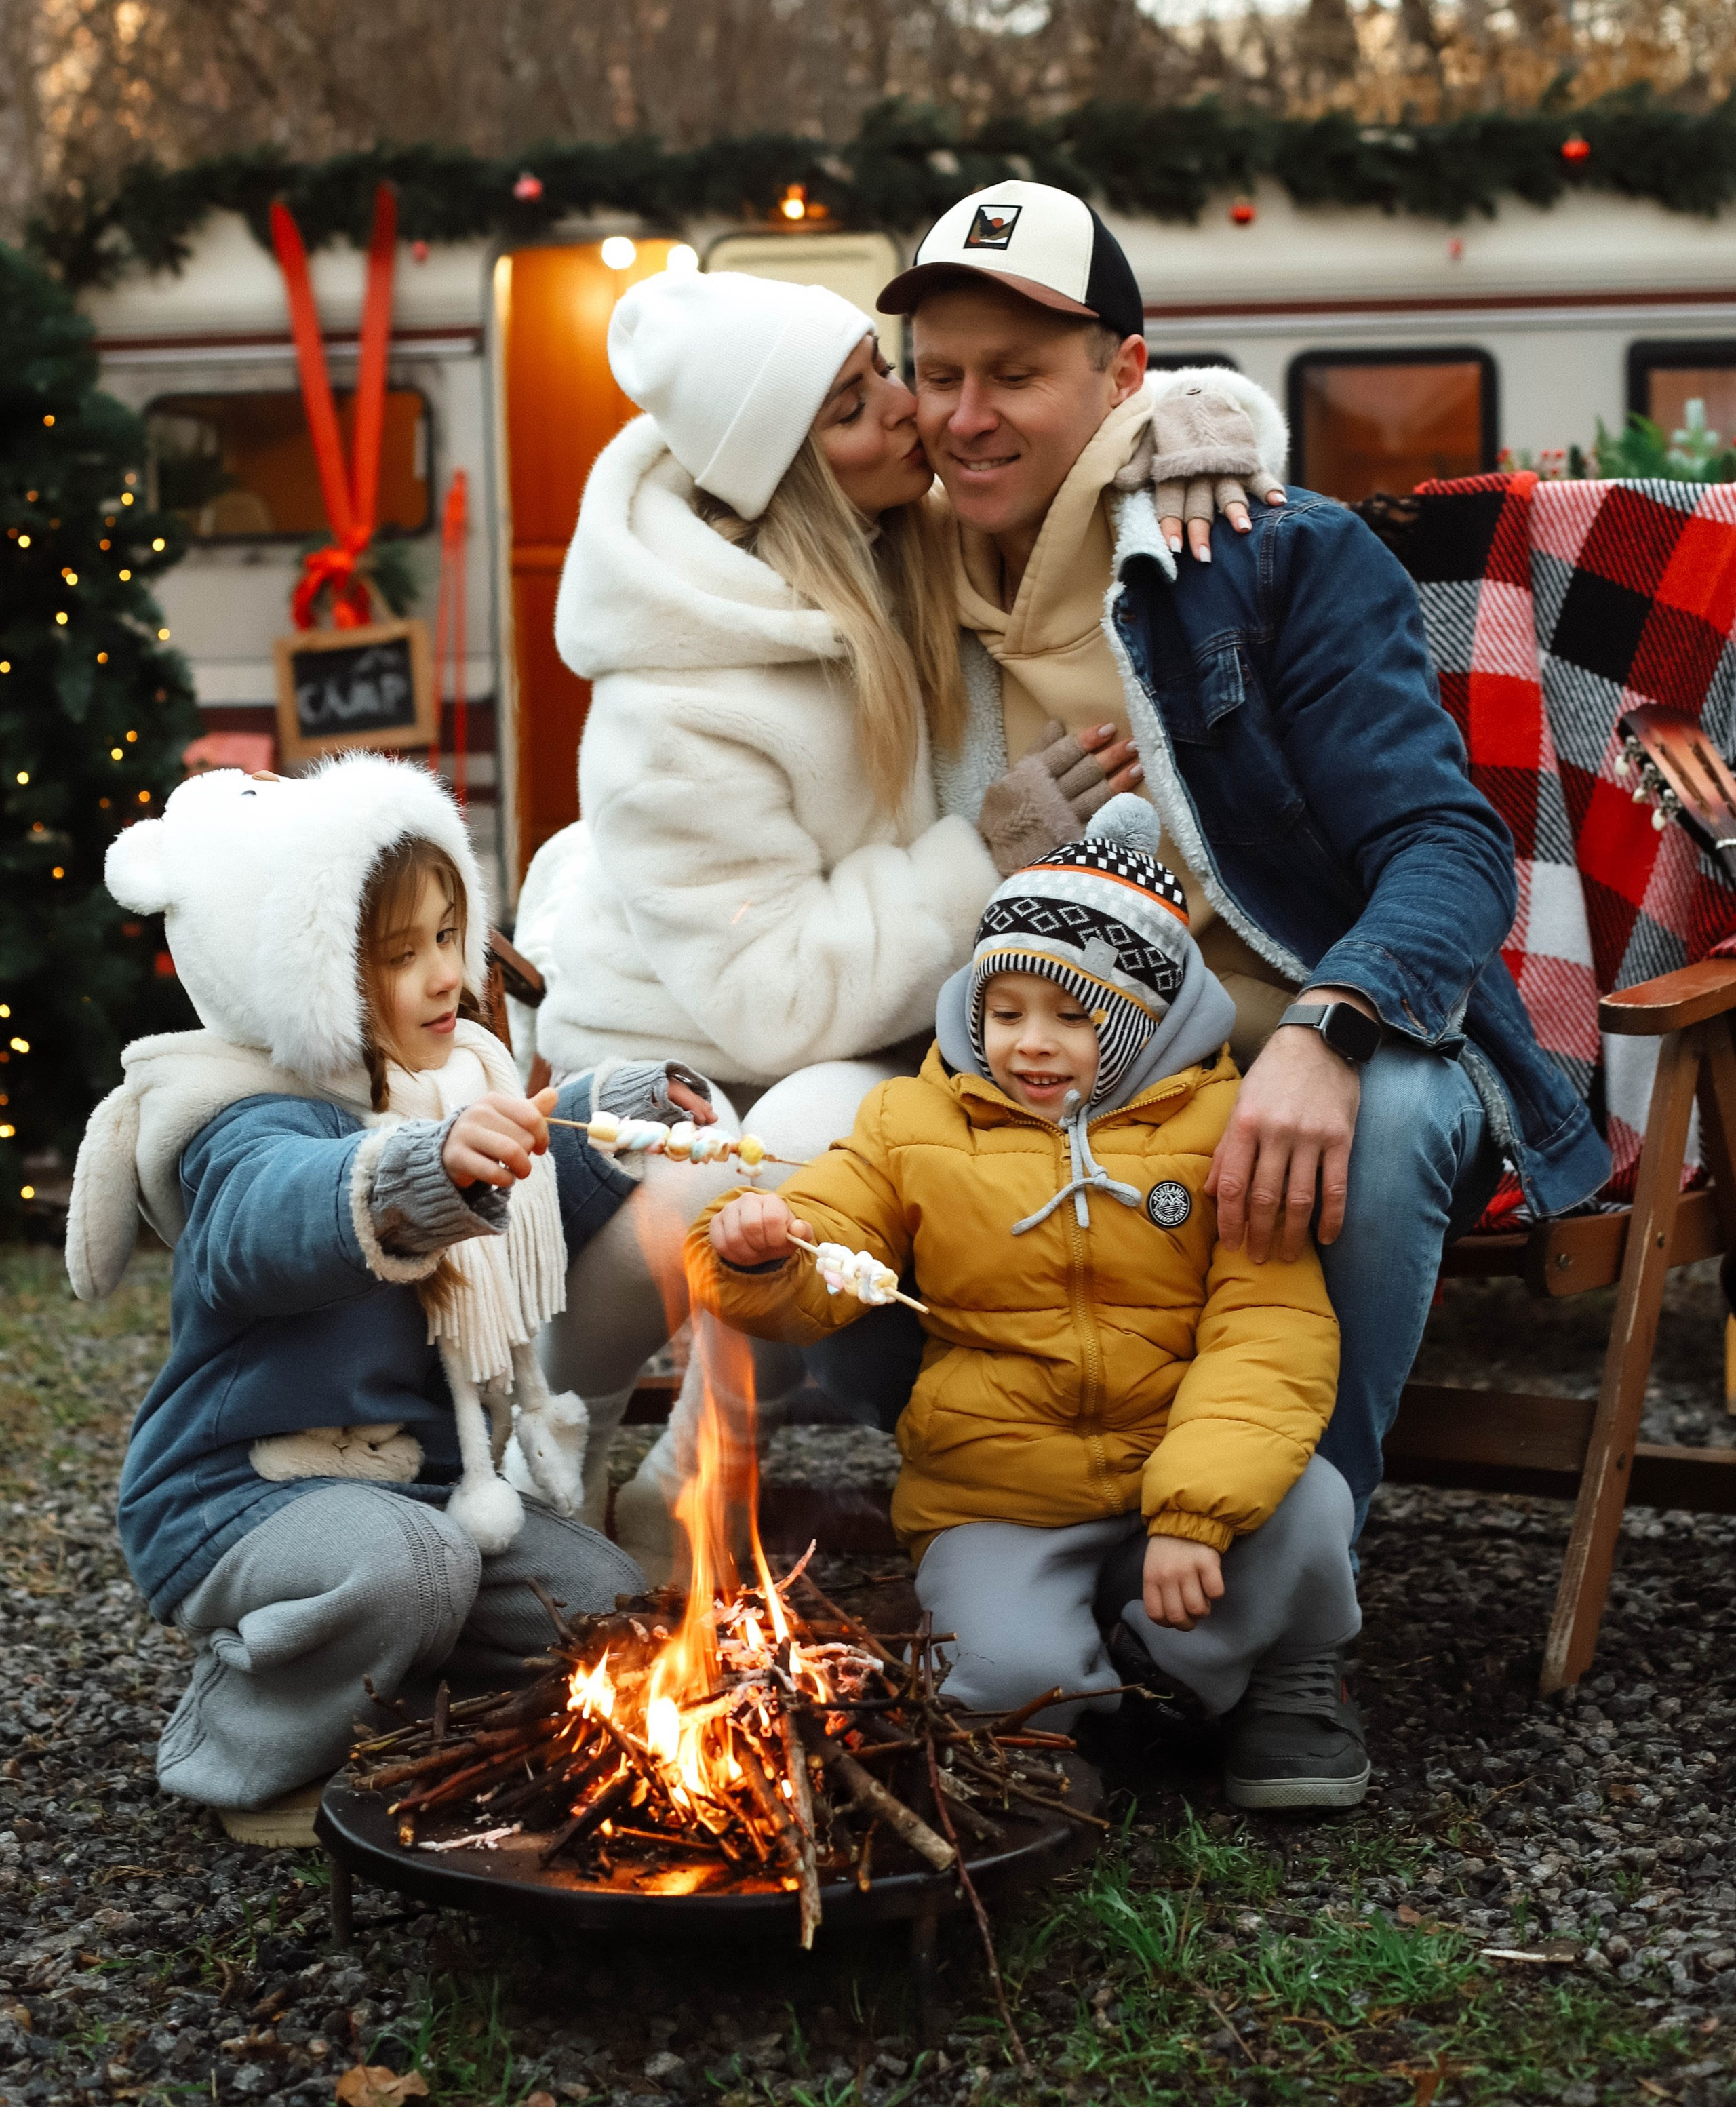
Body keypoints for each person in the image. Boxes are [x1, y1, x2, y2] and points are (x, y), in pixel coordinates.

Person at [865, 178, 1609, 1607]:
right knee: (833, 1140)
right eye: (937, 375)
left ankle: (1282, 1616)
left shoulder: (1264, 553)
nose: (965, 415)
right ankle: (1029, 1547)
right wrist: (983, 856)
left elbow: (1443, 848)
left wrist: (1332, 1026)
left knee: (1382, 1118)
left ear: (1125, 375)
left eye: (1015, 374)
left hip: (1295, 1031)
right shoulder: (889, 578)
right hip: (1043, 1056)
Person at [518, 268, 1139, 1572]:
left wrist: (1208, 433)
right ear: (788, 479)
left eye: (882, 373)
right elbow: (777, 996)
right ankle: (552, 1442)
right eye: (858, 406)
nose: (912, 413)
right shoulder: (673, 706)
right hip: (661, 1076)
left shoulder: (888, 563)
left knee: (812, 1129)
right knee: (748, 1155)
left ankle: (694, 1478)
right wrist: (988, 852)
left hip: (826, 1050)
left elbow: (1116, 414)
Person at [688, 800, 1366, 1809]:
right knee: (1003, 1684)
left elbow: (1268, 1334)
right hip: (997, 1496)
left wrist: (1194, 1514)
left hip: (1165, 1479)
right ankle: (1075, 1700)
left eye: (1074, 1017)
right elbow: (837, 1226)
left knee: (1311, 1506)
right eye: (1004, 1015)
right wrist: (761, 1251)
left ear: (1145, 1019)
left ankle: (1219, 1671)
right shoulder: (916, 1122)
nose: (1030, 1046)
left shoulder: (1224, 1130)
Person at [65, 754, 652, 1848]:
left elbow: (521, 1206)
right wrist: (412, 1174)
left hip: (423, 1490)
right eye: (398, 955)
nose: (444, 977)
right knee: (411, 1570)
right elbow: (265, 1227)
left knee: (604, 1602)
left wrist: (619, 1119)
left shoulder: (453, 1082)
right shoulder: (238, 1118)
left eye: (447, 936)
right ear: (306, 978)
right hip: (238, 1498)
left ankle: (402, 1704)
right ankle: (244, 1741)